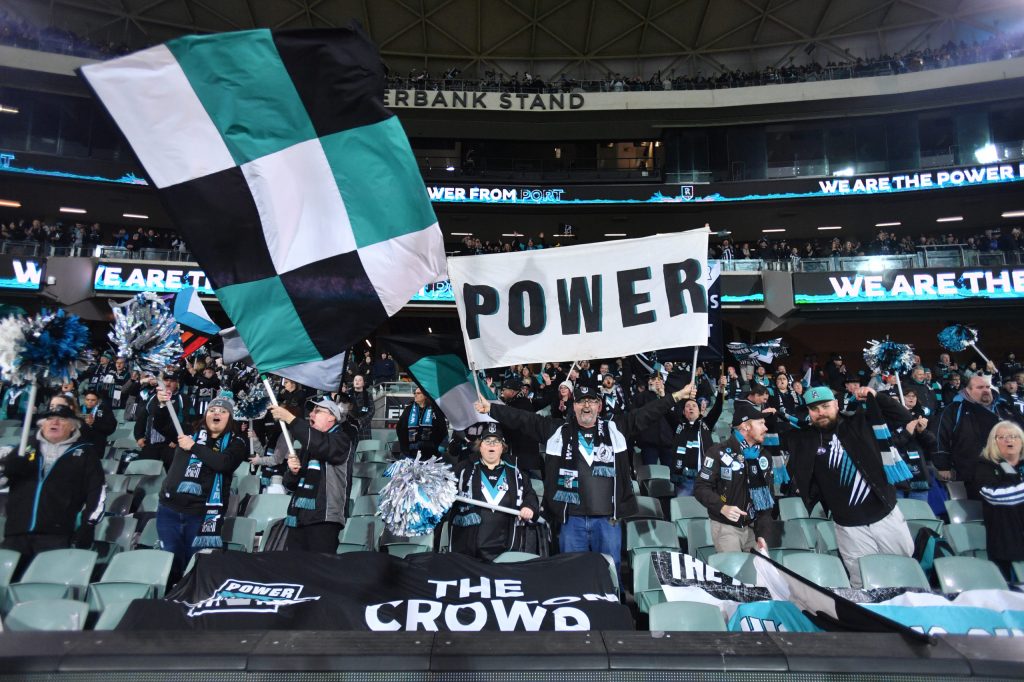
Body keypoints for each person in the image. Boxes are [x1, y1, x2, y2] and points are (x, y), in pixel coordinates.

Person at [475, 382, 695, 571]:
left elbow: (648, 413)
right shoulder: (556, 430)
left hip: (607, 521)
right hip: (571, 521)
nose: (586, 406)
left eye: (591, 401)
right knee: (571, 575)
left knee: (609, 575)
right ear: (574, 406)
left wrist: (677, 396)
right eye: (581, 401)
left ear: (599, 406)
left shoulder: (615, 429)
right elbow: (523, 419)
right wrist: (491, 409)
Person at [785, 386, 915, 587]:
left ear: (836, 405)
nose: (821, 412)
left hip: (885, 515)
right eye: (814, 409)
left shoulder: (859, 422)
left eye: (825, 406)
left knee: (903, 573)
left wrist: (876, 396)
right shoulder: (804, 438)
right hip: (848, 526)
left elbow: (904, 417)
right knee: (862, 583)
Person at [1, 404, 105, 567]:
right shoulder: (25, 448)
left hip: (57, 535)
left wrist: (87, 525)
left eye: (62, 419)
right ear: (42, 424)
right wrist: (9, 467)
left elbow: (97, 492)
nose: (54, 422)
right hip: (17, 533)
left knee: (44, 580)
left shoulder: (85, 453)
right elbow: (3, 481)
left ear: (73, 426)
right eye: (49, 418)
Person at [157, 395, 247, 580]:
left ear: (230, 418)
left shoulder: (237, 442)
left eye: (223, 411)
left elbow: (223, 463)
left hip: (201, 515)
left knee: (196, 567)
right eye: (212, 410)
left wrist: (194, 447)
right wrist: (161, 404)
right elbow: (161, 424)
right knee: (169, 564)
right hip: (169, 510)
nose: (216, 413)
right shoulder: (190, 431)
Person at [270, 397, 357, 553]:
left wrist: (290, 419)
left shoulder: (341, 440)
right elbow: (290, 485)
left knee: (319, 566)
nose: (311, 414)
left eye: (317, 411)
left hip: (324, 518)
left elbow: (320, 444)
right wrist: (293, 472)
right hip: (299, 517)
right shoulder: (309, 445)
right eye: (311, 411)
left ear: (332, 417)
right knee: (295, 566)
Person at [449, 422, 540, 560]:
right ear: (480, 446)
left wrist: (529, 507)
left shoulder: (515, 471)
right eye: (487, 441)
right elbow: (445, 491)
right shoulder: (464, 469)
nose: (492, 445)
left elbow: (529, 493)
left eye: (496, 441)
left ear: (502, 447)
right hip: (468, 549)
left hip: (505, 548)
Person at [694, 401, 774, 553]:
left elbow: (767, 500)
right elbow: (700, 487)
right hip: (725, 527)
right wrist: (722, 507)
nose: (766, 428)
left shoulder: (764, 456)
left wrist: (763, 533)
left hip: (754, 529)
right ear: (745, 426)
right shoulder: (717, 452)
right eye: (761, 423)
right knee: (734, 569)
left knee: (760, 568)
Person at [935, 372, 1024, 497]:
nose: (986, 390)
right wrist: (943, 465)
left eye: (987, 387)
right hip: (973, 471)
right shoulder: (954, 409)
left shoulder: (1003, 407)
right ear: (968, 390)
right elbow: (939, 436)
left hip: (1009, 468)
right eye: (980, 387)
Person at [973, 421, 1024, 579]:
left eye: (1014, 436)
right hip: (1006, 539)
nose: (1009, 440)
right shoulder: (985, 466)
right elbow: (993, 495)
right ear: (993, 442)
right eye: (1002, 437)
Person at [671, 375, 726, 495]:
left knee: (704, 506)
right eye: (688, 406)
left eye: (694, 406)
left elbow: (717, 408)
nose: (691, 408)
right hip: (684, 479)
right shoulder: (678, 425)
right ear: (684, 412)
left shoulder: (706, 423)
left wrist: (721, 390)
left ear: (699, 410)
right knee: (683, 506)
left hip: (705, 478)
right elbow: (667, 411)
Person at [134, 371, 187, 470]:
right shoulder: (152, 398)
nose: (168, 383)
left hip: (171, 445)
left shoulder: (183, 398)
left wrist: (177, 440)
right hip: (150, 443)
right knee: (145, 473)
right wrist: (139, 436)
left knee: (171, 473)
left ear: (177, 383)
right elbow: (142, 418)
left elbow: (188, 421)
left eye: (172, 381)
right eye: (166, 380)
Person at [397, 386, 448, 459]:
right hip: (411, 452)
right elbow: (401, 429)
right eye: (415, 393)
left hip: (431, 453)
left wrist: (438, 448)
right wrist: (405, 449)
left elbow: (442, 430)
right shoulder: (408, 410)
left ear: (425, 396)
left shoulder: (436, 410)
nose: (415, 395)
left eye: (418, 393)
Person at [78, 389, 117, 454]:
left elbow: (110, 427)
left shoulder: (105, 410)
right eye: (87, 399)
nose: (90, 402)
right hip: (80, 442)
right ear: (84, 400)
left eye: (93, 400)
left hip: (97, 444)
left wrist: (94, 423)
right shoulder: (79, 409)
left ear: (98, 401)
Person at [346, 374, 374, 441]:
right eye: (355, 380)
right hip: (350, 426)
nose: (357, 382)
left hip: (364, 427)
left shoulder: (368, 395)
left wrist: (360, 421)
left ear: (363, 383)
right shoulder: (348, 394)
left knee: (364, 446)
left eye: (360, 380)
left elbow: (371, 411)